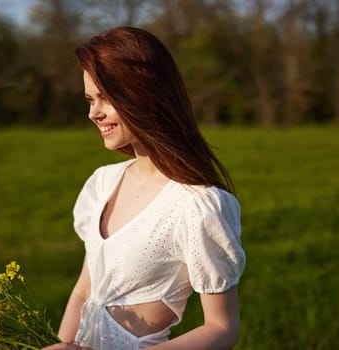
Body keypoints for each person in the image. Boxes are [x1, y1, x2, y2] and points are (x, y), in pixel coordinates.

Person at [43, 27, 246, 350]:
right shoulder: (102, 184)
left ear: (143, 94)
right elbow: (85, 289)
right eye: (89, 99)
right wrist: (60, 344)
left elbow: (222, 327)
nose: (93, 113)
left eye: (105, 98)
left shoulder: (197, 206)